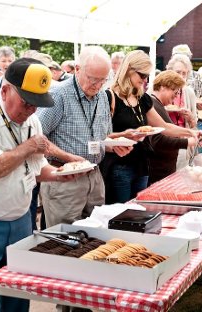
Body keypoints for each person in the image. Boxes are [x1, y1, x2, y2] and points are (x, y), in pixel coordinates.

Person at [0, 58, 76, 311]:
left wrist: (58, 174)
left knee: (18, 293)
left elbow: (36, 166)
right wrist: (29, 146)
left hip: (19, 219)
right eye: (27, 102)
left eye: (37, 104)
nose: (31, 110)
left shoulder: (32, 120)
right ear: (5, 90)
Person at [37, 46, 133, 227]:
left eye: (102, 81)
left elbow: (102, 137)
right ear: (78, 69)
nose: (97, 86)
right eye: (92, 79)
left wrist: (115, 144)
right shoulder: (59, 95)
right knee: (64, 236)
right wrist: (68, 157)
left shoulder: (103, 97)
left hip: (95, 176)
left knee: (96, 233)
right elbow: (36, 137)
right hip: (64, 178)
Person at [108, 50, 202, 203]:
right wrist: (122, 137)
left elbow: (164, 126)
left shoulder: (142, 98)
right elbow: (104, 135)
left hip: (142, 165)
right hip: (121, 167)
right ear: (129, 70)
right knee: (121, 213)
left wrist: (192, 133)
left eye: (147, 76)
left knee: (140, 212)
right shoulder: (110, 96)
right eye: (142, 75)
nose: (145, 80)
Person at [148, 70, 198, 184]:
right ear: (163, 87)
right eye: (175, 92)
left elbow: (168, 127)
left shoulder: (158, 105)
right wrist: (187, 142)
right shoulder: (153, 104)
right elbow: (157, 140)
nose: (176, 96)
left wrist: (191, 133)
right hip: (157, 171)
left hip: (164, 170)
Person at [165, 54, 199, 168]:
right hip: (164, 142)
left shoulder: (189, 93)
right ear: (170, 71)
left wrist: (189, 118)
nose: (181, 76)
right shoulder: (160, 89)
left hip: (182, 143)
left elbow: (194, 124)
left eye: (184, 73)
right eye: (178, 72)